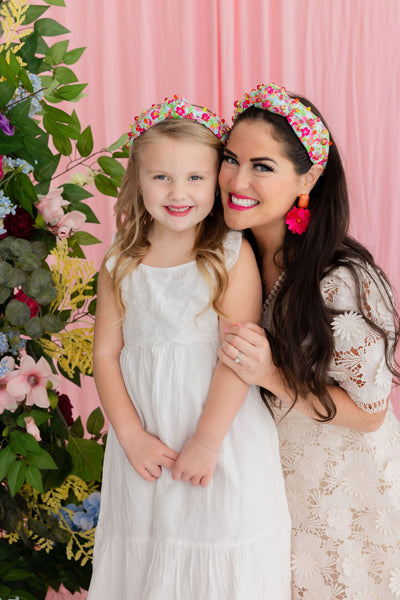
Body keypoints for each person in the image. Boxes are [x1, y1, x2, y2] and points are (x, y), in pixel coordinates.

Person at [88, 96, 291, 599]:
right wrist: (131, 434)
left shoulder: (227, 253)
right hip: (147, 445)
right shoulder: (120, 263)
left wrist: (205, 441)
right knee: (147, 553)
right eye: (161, 178)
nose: (179, 192)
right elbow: (105, 356)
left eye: (196, 178)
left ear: (216, 182)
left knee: (218, 550)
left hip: (219, 438)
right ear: (138, 180)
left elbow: (237, 357)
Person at [217, 83, 400, 599]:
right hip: (264, 492)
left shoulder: (341, 279)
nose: (237, 179)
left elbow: (370, 412)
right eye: (230, 159)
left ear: (309, 176)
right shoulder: (231, 256)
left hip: (345, 495)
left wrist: (271, 374)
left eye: (262, 166)